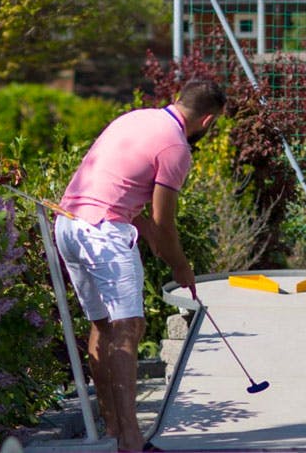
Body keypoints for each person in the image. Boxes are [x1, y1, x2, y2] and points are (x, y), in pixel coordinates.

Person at [54, 78, 226, 451]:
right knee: (128, 328)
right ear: (208, 121)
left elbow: (120, 193)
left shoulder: (135, 118)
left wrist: (151, 234)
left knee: (103, 325)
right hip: (104, 233)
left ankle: (114, 432)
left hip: (68, 224)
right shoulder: (176, 147)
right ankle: (132, 442)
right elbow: (164, 222)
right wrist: (180, 266)